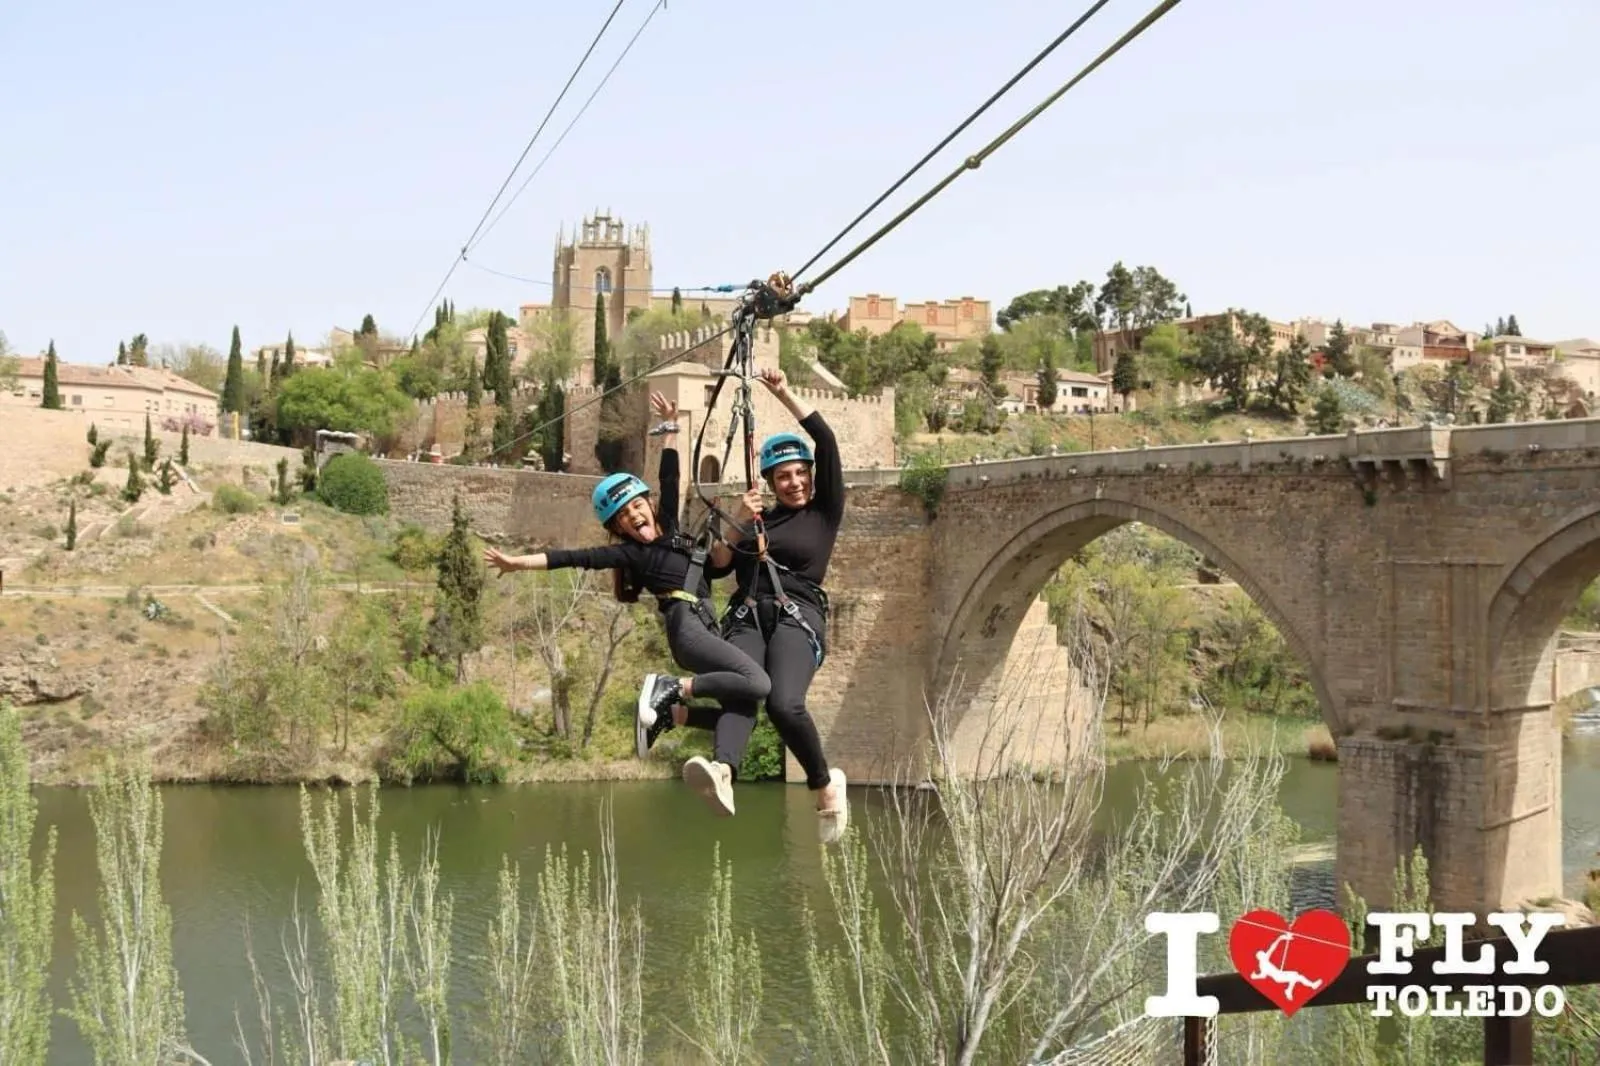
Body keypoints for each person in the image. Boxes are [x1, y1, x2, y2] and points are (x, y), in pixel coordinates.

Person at [483, 392, 769, 759]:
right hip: (688, 629)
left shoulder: (674, 533)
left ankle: (671, 714)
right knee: (758, 682)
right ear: (618, 527)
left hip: (704, 627)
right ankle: (671, 687)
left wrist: (669, 429)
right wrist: (518, 563)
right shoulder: (631, 554)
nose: (633, 515)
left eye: (636, 505)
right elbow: (571, 558)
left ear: (649, 506)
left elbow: (670, 477)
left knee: (745, 712)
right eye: (622, 515)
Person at [670, 368, 849, 836]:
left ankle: (824, 785)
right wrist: (738, 524)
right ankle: (724, 772)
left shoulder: (823, 513)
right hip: (747, 615)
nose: (793, 483)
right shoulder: (755, 519)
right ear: (769, 481)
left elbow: (825, 440)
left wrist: (784, 393)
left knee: (784, 704)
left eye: (800, 474)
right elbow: (718, 567)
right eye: (783, 477)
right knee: (744, 690)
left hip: (797, 615)